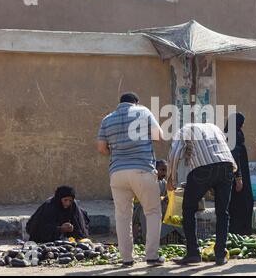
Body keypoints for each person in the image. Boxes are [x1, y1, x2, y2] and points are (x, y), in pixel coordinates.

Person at [97, 92, 165, 268]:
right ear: (136, 103)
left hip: (117, 172)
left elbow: (102, 148)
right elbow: (159, 135)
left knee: (122, 216)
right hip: (142, 169)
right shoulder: (143, 112)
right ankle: (151, 256)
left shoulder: (107, 119)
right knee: (152, 212)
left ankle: (127, 259)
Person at [167, 123, 237, 266]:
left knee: (188, 209)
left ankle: (193, 253)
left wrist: (171, 179)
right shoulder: (214, 127)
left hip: (203, 168)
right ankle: (220, 255)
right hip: (227, 166)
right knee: (222, 212)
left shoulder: (184, 130)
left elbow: (174, 154)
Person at [225, 113, 254, 235]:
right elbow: (235, 157)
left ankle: (237, 230)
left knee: (237, 202)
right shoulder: (234, 136)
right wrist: (239, 178)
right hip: (237, 174)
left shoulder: (231, 134)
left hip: (234, 173)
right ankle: (240, 230)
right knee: (244, 201)